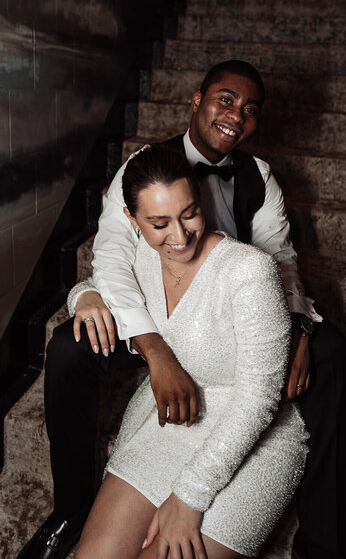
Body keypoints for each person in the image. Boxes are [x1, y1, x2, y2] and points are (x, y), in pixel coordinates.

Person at [17, 61, 346, 559]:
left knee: (330, 354)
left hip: (235, 306)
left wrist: (299, 325)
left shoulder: (259, 178)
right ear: (196, 99)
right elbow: (111, 257)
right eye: (225, 99)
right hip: (160, 316)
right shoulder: (143, 167)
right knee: (68, 346)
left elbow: (279, 262)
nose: (236, 116)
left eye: (250, 109)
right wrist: (151, 348)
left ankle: (324, 535)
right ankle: (70, 507)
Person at [74, 144, 309, 559]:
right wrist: (85, 295)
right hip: (169, 424)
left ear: (200, 201)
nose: (179, 237)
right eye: (159, 223)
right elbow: (105, 286)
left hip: (252, 438)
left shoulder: (250, 271)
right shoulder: (142, 259)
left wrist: (189, 498)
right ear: (132, 220)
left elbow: (259, 401)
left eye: (189, 214)